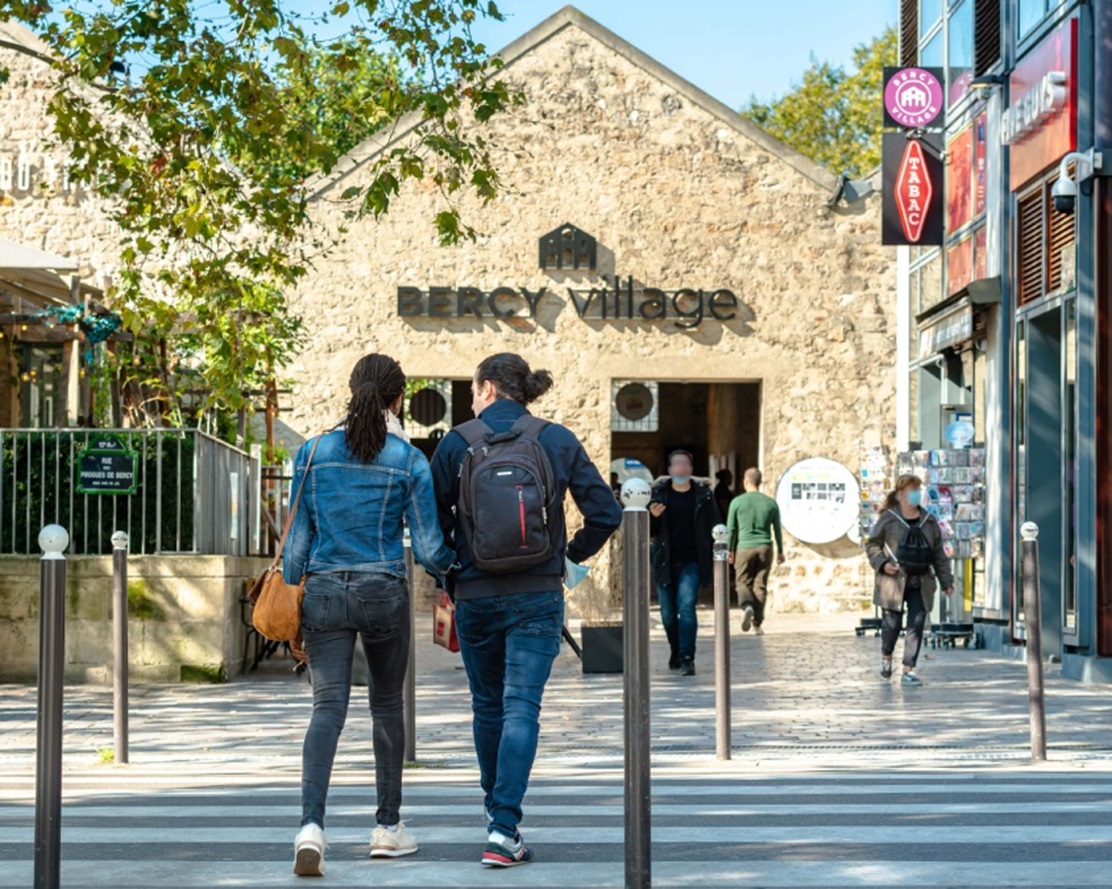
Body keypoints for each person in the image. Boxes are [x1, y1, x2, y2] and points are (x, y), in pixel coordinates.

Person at [430, 352, 622, 868]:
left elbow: (432, 524)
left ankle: (496, 817)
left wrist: (451, 572)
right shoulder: (555, 439)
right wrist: (567, 558)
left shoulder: (456, 443)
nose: (471, 400)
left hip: (475, 594)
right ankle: (503, 827)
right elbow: (606, 513)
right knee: (521, 706)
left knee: (487, 706)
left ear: (488, 388)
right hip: (538, 593)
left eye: (473, 390)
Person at [284, 354, 455, 878]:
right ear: (398, 400)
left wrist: (296, 592)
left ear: (352, 389)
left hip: (324, 590)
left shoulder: (312, 452)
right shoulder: (408, 459)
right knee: (386, 706)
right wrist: (456, 570)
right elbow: (428, 548)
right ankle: (387, 828)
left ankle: (311, 829)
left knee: (326, 710)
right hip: (382, 589)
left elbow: (295, 549)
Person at [865, 474, 954, 686]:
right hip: (893, 581)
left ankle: (908, 670)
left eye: (918, 490)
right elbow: (872, 544)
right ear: (901, 495)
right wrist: (882, 564)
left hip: (920, 581)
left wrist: (946, 581)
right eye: (913, 491)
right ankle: (887, 657)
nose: (917, 494)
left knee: (916, 624)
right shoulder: (888, 519)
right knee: (891, 625)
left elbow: (938, 554)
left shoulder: (929, 521)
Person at [649, 450, 721, 675]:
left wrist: (723, 548)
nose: (681, 467)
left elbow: (716, 525)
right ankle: (675, 649)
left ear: (691, 469)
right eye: (676, 463)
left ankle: (687, 656)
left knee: (687, 607)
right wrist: (653, 517)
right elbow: (648, 531)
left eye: (685, 463)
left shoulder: (704, 496)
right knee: (668, 614)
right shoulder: (658, 494)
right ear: (670, 469)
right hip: (665, 561)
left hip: (693, 560)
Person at [726, 468, 785, 635]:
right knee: (760, 585)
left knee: (742, 582)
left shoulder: (737, 502)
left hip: (744, 547)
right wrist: (780, 551)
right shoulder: (771, 503)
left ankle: (747, 606)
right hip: (765, 547)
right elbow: (777, 530)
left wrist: (729, 549)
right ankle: (757, 624)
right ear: (760, 482)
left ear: (745, 481)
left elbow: (731, 529)